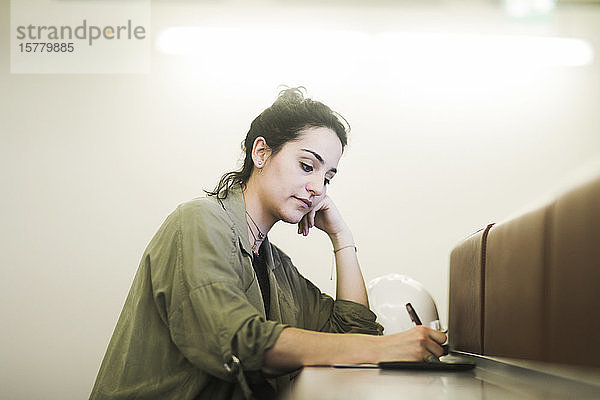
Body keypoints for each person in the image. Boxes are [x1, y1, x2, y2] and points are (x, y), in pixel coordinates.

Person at [89, 88, 447, 400]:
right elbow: (239, 342)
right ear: (261, 152)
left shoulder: (274, 263)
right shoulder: (198, 221)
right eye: (308, 166)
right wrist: (382, 348)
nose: (318, 188)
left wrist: (342, 238)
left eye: (328, 178)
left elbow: (353, 333)